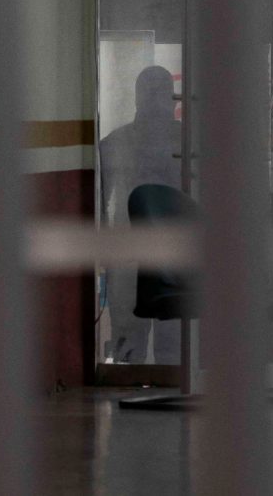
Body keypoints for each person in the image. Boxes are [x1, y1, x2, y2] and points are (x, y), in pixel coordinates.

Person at [98, 66, 182, 364]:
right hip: (151, 253)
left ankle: (132, 390)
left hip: (138, 252)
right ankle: (165, 391)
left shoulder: (116, 142)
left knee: (141, 340)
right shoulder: (187, 143)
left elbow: (101, 201)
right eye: (157, 96)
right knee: (162, 341)